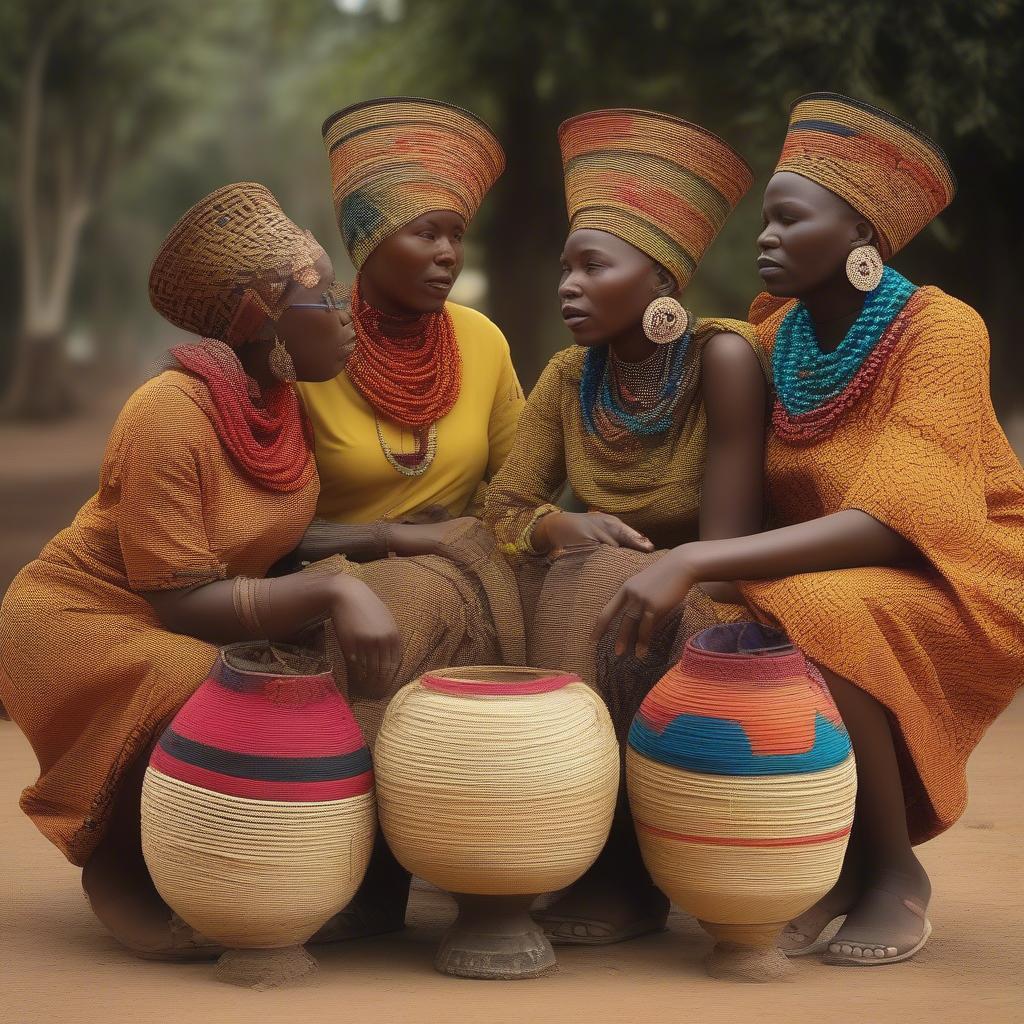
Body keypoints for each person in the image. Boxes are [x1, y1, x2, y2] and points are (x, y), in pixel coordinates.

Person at [596, 93, 1024, 965]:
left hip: (960, 569)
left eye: (791, 218)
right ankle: (811, 863)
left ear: (861, 236)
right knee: (731, 617)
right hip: (815, 573)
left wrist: (701, 557)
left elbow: (890, 523)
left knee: (822, 609)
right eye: (764, 219)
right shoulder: (775, 332)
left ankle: (892, 871)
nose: (766, 238)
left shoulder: (940, 330)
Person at [0, 182, 398, 959]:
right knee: (212, 683)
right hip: (84, 620)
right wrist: (334, 588)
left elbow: (261, 536)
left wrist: (394, 536)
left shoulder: (278, 401)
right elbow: (181, 600)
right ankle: (125, 867)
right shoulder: (167, 414)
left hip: (176, 604)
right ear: (262, 319)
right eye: (325, 295)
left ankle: (255, 859)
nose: (349, 312)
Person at [483, 109, 768, 944]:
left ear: (660, 281)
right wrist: (556, 530)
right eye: (565, 268)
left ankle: (626, 872)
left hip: (706, 599)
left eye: (592, 266)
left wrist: (615, 564)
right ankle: (536, 839)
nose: (567, 285)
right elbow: (503, 506)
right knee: (500, 576)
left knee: (602, 586)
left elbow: (720, 561)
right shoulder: (572, 375)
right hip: (587, 588)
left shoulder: (724, 358)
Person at [288, 97, 528, 941]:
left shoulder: (485, 341)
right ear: (366, 242)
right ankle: (347, 862)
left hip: (466, 572)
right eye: (424, 232)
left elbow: (515, 496)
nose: (448, 255)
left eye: (455, 234)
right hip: (328, 579)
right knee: (367, 619)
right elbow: (269, 531)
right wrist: (390, 538)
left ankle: (456, 858)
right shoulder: (310, 350)